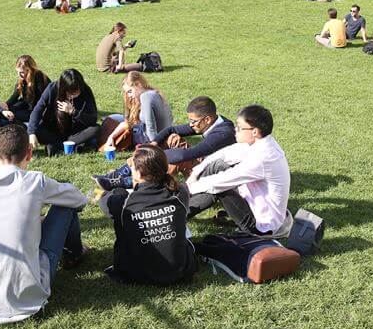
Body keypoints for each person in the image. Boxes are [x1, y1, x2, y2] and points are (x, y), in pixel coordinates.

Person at [0, 123, 89, 327]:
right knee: (65, 207)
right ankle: (75, 254)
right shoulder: (36, 181)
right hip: (25, 296)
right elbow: (78, 199)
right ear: (29, 153)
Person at [98, 144, 197, 285]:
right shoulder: (180, 191)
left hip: (137, 276)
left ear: (138, 174)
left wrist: (119, 188)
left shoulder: (121, 201)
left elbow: (103, 201)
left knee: (121, 222)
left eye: (132, 166)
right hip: (181, 271)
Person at [186, 105, 291, 236]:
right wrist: (197, 171)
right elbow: (225, 153)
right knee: (218, 166)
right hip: (253, 203)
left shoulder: (263, 158)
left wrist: (186, 188)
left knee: (219, 188)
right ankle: (178, 209)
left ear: (254, 132)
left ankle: (175, 214)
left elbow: (222, 181)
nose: (235, 130)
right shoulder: (262, 142)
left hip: (262, 227)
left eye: (240, 127)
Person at [93, 96, 234, 190]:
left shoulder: (222, 134)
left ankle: (126, 182)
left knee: (179, 159)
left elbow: (190, 154)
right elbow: (171, 129)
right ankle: (118, 175)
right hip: (206, 163)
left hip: (219, 176)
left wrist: (151, 156)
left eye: (193, 121)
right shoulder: (215, 122)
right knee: (172, 138)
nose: (190, 125)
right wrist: (152, 144)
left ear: (207, 119)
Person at [28, 69, 100, 156]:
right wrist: (31, 133)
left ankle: (59, 147)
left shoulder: (86, 91)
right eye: (71, 92)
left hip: (75, 133)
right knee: (36, 129)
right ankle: (71, 146)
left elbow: (93, 118)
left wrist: (73, 111)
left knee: (95, 128)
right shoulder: (52, 88)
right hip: (54, 130)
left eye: (77, 92)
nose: (74, 95)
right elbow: (38, 110)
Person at [101, 72, 174, 151]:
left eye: (130, 91)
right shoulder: (154, 93)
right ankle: (109, 137)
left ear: (138, 84)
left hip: (146, 137)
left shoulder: (145, 97)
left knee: (111, 119)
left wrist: (153, 147)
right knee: (117, 119)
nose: (129, 95)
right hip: (164, 134)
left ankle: (107, 139)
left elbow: (151, 128)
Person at [4, 55, 52, 124]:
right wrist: (5, 105)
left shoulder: (39, 77)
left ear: (30, 70)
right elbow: (15, 95)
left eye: (22, 72)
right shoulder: (22, 78)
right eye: (18, 72)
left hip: (39, 110)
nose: (19, 75)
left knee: (13, 114)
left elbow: (41, 102)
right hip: (27, 104)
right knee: (9, 110)